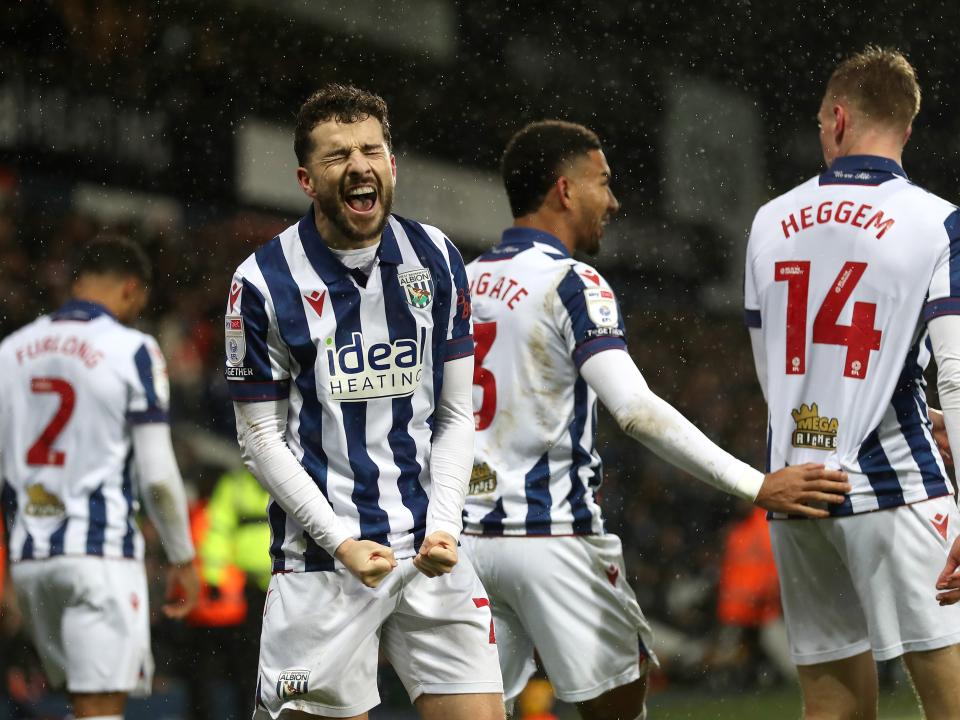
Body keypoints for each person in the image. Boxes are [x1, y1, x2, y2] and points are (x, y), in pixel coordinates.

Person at [460, 119, 851, 720]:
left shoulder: (460, 284)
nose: (612, 201)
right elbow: (636, 412)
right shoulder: (572, 282)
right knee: (618, 711)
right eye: (602, 183)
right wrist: (756, 484)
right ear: (564, 191)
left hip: (465, 544)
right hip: (551, 536)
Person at [225, 83, 503, 720]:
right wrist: (341, 541)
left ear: (391, 164)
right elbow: (260, 440)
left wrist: (444, 525)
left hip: (430, 553)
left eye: (371, 150)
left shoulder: (434, 255)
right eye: (337, 156)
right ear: (305, 178)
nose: (358, 166)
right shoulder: (261, 281)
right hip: (322, 561)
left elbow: (457, 414)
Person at [744, 47, 960, 718]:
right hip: (897, 484)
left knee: (833, 708)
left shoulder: (770, 220)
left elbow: (770, 367)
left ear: (838, 119)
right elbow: (954, 370)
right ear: (907, 128)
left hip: (798, 492)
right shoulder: (937, 220)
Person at [0, 236, 199, 720]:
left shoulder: (10, 350)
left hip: (31, 560)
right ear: (132, 289)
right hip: (99, 556)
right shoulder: (132, 349)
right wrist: (181, 555)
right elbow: (156, 473)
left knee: (79, 704)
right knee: (101, 710)